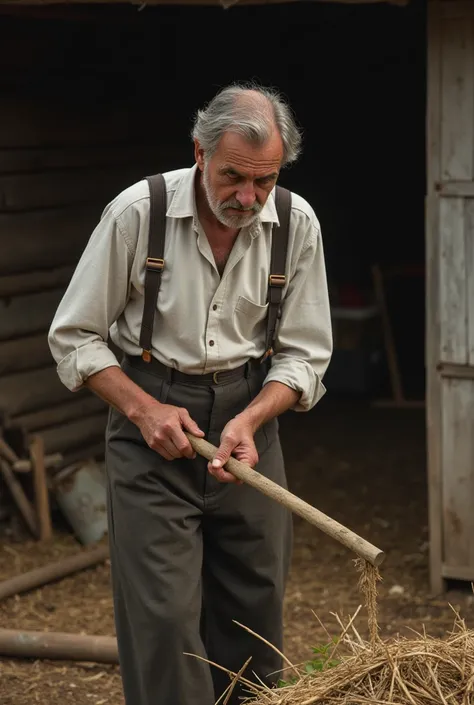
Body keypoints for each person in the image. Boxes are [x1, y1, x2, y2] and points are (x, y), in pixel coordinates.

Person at [48, 83, 332, 705]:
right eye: (233, 176)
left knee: (255, 613)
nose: (248, 197)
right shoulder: (137, 213)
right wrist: (142, 408)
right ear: (199, 153)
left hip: (250, 425)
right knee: (165, 621)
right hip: (150, 424)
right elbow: (74, 338)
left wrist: (254, 417)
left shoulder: (296, 223)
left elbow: (305, 354)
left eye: (265, 179)